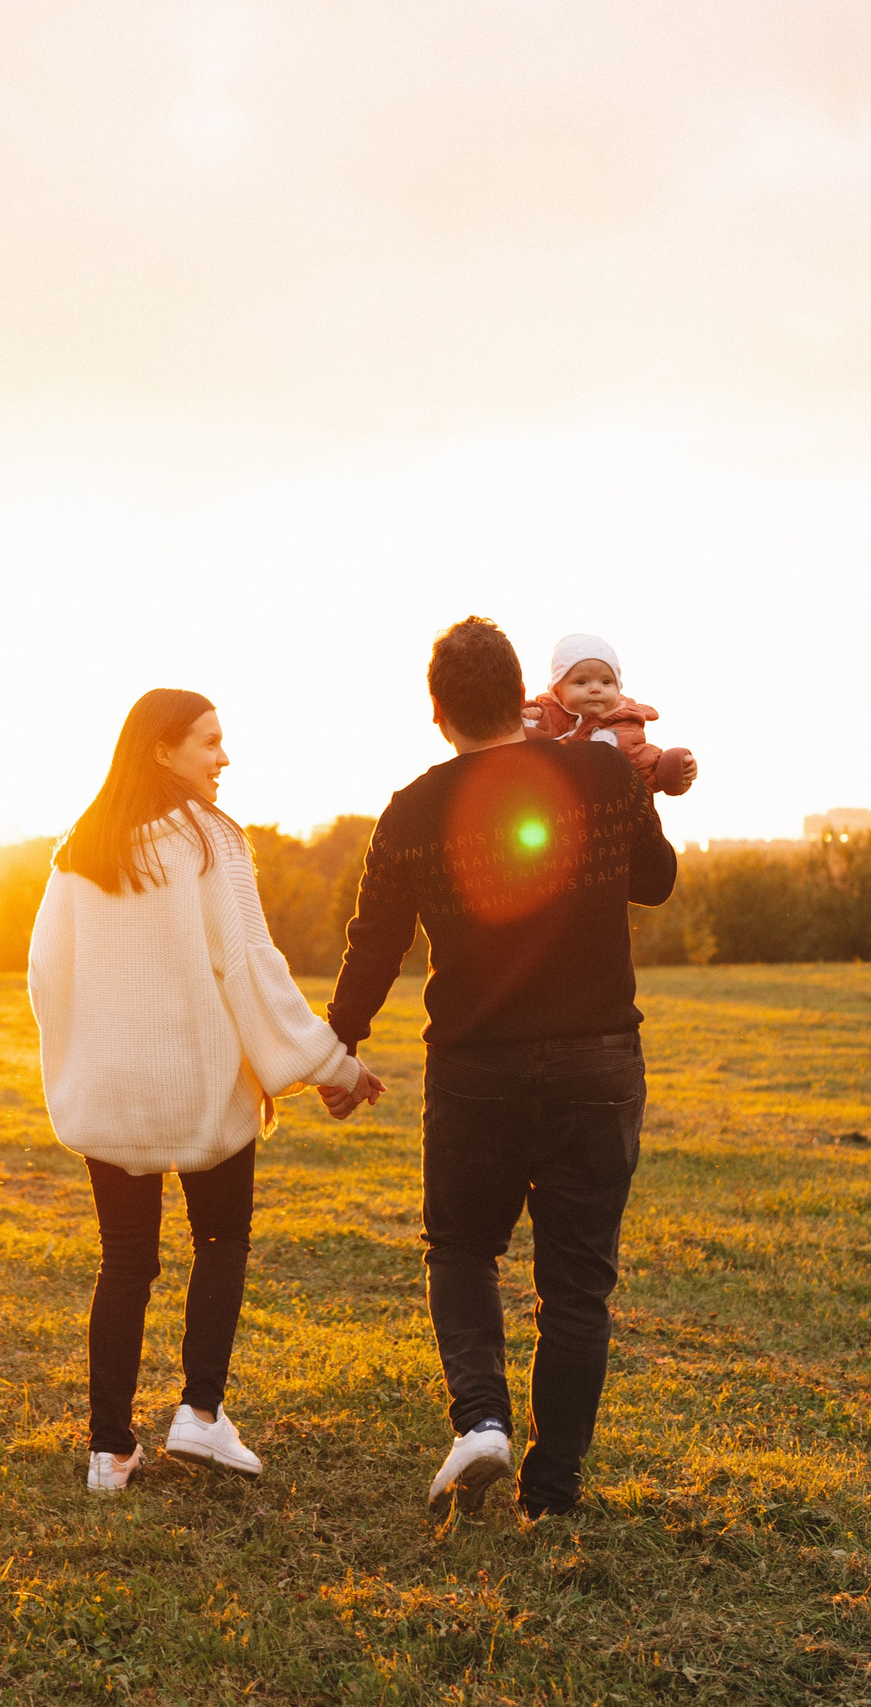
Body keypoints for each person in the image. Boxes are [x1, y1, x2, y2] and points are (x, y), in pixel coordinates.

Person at [322, 618, 678, 1519]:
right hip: (599, 1060)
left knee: (463, 1247)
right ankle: (551, 1491)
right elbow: (656, 879)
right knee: (577, 1283)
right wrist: (635, 786)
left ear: (438, 712)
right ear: (530, 693)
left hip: (477, 1066)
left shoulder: (410, 808)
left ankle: (481, 1418)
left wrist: (340, 1045)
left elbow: (377, 945)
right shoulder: (599, 774)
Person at [29, 688, 382, 1494]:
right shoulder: (209, 839)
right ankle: (200, 1413)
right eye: (209, 742)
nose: (224, 758)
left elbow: (46, 971)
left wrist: (85, 1055)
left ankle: (107, 1452)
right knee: (220, 1241)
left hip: (113, 1091)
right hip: (200, 1088)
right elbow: (250, 968)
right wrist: (333, 1064)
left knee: (125, 1261)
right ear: (162, 750)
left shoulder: (80, 847)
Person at [519, 632, 697, 796]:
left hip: (603, 815)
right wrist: (526, 714)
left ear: (618, 688)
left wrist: (676, 766)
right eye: (581, 682)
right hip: (553, 810)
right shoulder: (546, 719)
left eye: (606, 682)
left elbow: (648, 766)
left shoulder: (624, 728)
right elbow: (515, 743)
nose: (595, 689)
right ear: (557, 691)